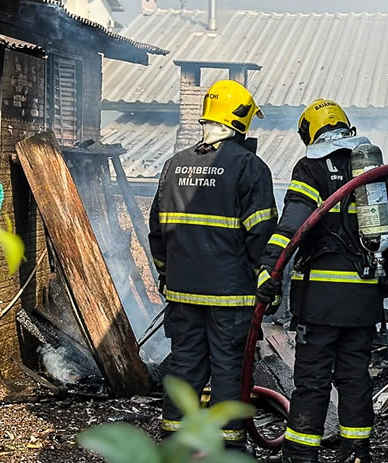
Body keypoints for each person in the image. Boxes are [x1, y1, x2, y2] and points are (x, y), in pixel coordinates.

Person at [256, 99, 388, 463]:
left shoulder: (310, 167)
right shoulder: (371, 169)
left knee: (312, 380)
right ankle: (356, 451)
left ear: (310, 132)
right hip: (363, 300)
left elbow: (294, 225)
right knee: (355, 378)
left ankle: (300, 454)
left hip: (320, 302)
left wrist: (270, 270)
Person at [148, 79, 277, 451]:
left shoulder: (174, 165)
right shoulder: (250, 167)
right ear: (240, 119)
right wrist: (267, 281)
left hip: (182, 292)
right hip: (231, 296)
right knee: (228, 371)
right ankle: (229, 450)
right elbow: (262, 236)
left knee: (184, 366)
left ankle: (175, 444)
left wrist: (165, 274)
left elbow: (157, 230)